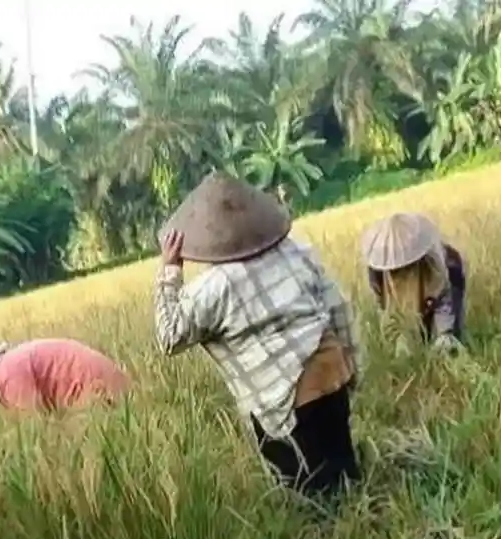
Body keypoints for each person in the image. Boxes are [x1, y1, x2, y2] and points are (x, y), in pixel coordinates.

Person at [154, 172, 361, 498]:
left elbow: (170, 335)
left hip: (286, 401)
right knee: (347, 477)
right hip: (333, 371)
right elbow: (337, 307)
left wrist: (170, 270)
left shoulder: (214, 287)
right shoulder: (297, 252)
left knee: (310, 498)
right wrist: (352, 363)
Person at [360, 212, 467, 353]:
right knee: (413, 346)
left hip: (448, 278)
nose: (401, 274)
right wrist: (399, 338)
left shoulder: (434, 263)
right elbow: (384, 306)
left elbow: (443, 297)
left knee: (447, 343)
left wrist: (444, 333)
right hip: (418, 306)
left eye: (406, 269)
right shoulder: (378, 273)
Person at [0, 338, 129, 411]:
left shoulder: (7, 375)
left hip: (97, 391)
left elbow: (34, 423)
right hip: (104, 383)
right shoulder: (10, 364)